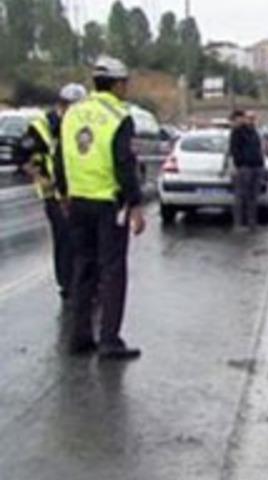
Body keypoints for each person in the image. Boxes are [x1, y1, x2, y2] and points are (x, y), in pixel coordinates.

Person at [54, 56, 146, 360]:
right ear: (118, 83)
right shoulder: (119, 115)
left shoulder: (72, 114)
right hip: (109, 203)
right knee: (112, 271)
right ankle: (109, 339)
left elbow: (60, 158)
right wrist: (135, 204)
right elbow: (124, 164)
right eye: (125, 83)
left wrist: (64, 193)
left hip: (78, 201)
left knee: (83, 268)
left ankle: (79, 337)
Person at [19, 83, 87, 305]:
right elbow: (24, 155)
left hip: (78, 191)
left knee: (81, 239)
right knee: (64, 238)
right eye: (71, 108)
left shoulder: (81, 126)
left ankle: (82, 282)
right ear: (61, 105)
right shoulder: (42, 126)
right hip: (53, 193)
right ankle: (67, 284)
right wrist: (40, 176)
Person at [229, 110, 265, 231]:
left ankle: (252, 222)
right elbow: (234, 150)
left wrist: (261, 163)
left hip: (256, 167)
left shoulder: (254, 132)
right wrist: (239, 163)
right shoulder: (238, 132)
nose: (251, 120)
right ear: (244, 118)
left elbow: (259, 148)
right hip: (244, 167)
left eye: (253, 118)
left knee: (253, 197)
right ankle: (239, 224)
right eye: (249, 118)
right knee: (241, 196)